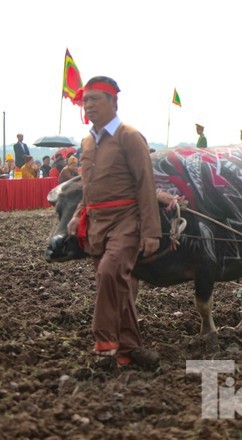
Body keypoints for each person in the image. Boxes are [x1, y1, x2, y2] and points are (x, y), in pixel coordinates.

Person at [67, 75, 161, 368]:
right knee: (114, 285)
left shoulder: (129, 137)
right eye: (85, 100)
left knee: (110, 273)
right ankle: (129, 349)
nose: (89, 105)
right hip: (96, 223)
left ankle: (105, 345)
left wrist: (151, 231)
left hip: (126, 220)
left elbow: (146, 184)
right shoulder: (87, 142)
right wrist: (76, 214)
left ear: (113, 101)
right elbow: (89, 186)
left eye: (96, 98)